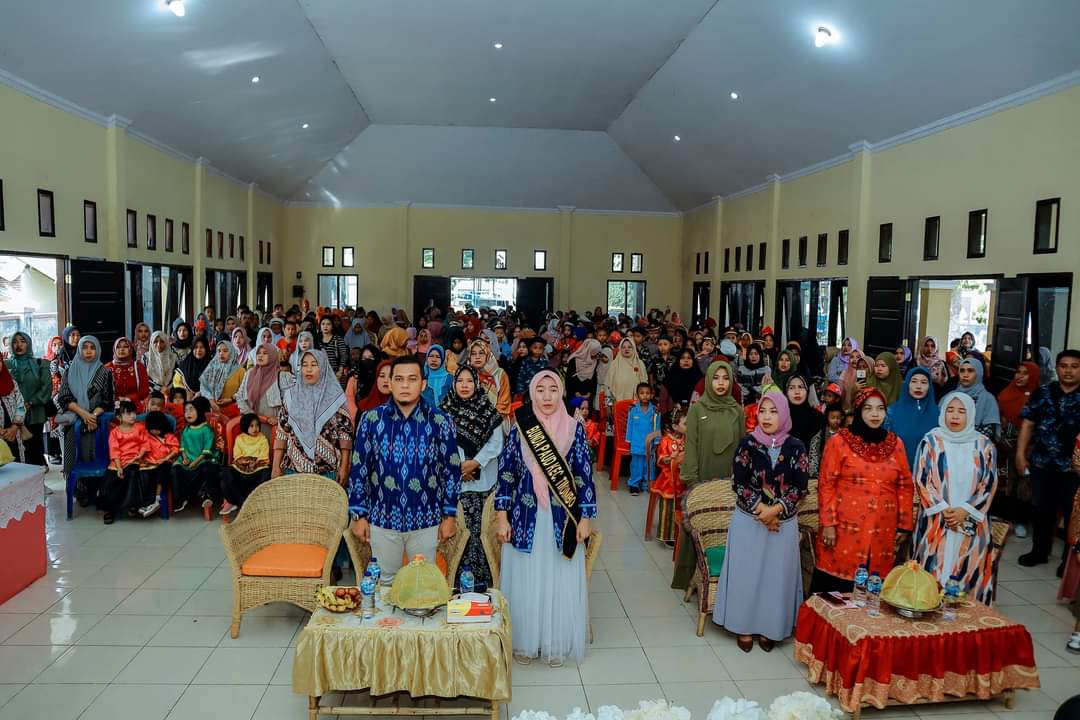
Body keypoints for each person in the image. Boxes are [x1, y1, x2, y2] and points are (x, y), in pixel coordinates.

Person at [495, 370, 596, 666]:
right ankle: (526, 641)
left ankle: (555, 642)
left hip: (562, 518)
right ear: (531, 394)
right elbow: (506, 474)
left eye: (553, 389)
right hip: (524, 516)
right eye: (541, 390)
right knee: (526, 581)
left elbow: (584, 476)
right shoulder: (521, 427)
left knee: (558, 579)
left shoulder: (574, 429)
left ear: (561, 392)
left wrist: (586, 518)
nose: (547, 396)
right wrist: (502, 517)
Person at [349, 355, 461, 583]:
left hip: (426, 519)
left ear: (423, 383)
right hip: (382, 518)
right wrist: (358, 514)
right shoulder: (371, 420)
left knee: (423, 585)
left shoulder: (440, 421)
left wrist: (449, 515)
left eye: (412, 379)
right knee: (384, 584)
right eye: (399, 379)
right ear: (389, 383)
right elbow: (359, 468)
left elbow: (452, 470)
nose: (405, 385)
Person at [713, 391, 808, 652]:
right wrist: (762, 510)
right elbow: (738, 482)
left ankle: (770, 627)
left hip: (783, 524)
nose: (767, 417)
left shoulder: (796, 447)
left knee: (775, 578)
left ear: (784, 414)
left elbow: (800, 486)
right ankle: (743, 626)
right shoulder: (747, 444)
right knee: (747, 574)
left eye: (773, 411)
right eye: (762, 411)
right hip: (749, 521)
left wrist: (775, 510)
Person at [812, 387, 914, 592]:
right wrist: (828, 524)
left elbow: (905, 485)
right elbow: (826, 484)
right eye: (868, 408)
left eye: (880, 408)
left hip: (882, 529)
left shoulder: (896, 444)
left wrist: (904, 525)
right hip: (843, 529)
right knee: (837, 589)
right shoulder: (839, 442)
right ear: (858, 410)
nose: (875, 414)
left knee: (873, 586)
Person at [912, 392, 999, 604]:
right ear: (943, 413)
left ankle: (966, 618)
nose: (955, 416)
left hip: (971, 521)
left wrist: (965, 511)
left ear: (971, 414)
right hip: (936, 519)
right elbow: (922, 479)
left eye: (961, 411)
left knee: (967, 572)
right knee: (931, 571)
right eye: (950, 410)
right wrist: (944, 509)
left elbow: (989, 482)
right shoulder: (931, 441)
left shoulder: (984, 445)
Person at [672, 360, 745, 590]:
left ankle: (724, 577)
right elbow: (691, 445)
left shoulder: (737, 410)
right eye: (716, 378)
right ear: (708, 380)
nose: (721, 383)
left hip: (728, 479)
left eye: (725, 378)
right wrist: (693, 483)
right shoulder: (698, 409)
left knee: (724, 525)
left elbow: (742, 448)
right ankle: (691, 575)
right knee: (698, 525)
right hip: (703, 475)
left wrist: (740, 480)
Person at [1016, 349, 1080, 574]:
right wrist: (1020, 454)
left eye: (1074, 366)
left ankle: (1068, 561)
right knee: (1042, 510)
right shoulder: (1043, 392)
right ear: (1057, 368)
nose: (1068, 371)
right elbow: (1028, 425)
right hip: (1042, 464)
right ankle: (1039, 552)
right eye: (1064, 366)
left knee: (1072, 515)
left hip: (1074, 469)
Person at [441, 366, 503, 588]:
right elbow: (441, 444)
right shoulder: (444, 411)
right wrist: (461, 467)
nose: (464, 385)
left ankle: (482, 584)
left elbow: (496, 443)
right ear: (454, 384)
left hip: (484, 483)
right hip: (456, 484)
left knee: (481, 533)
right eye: (460, 381)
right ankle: (456, 583)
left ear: (477, 384)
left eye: (469, 381)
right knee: (459, 534)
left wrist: (475, 463)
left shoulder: (488, 410)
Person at [273, 350, 353, 484]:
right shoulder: (291, 397)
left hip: (328, 470)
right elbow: (282, 432)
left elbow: (345, 434)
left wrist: (344, 467)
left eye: (314, 364)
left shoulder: (335, 398)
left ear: (323, 368)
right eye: (304, 365)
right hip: (294, 468)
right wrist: (276, 466)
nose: (308, 369)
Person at [56, 335, 114, 479]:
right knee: (74, 461)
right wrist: (84, 414)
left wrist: (92, 416)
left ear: (98, 350)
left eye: (92, 348)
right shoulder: (70, 371)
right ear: (79, 350)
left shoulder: (105, 372)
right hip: (74, 423)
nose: (88, 351)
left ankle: (96, 488)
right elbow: (64, 398)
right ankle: (75, 488)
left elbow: (107, 402)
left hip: (96, 424)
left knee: (96, 459)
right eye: (84, 348)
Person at [995, 361, 1041, 536]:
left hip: (1029, 448)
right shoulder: (1005, 394)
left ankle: (1021, 520)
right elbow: (999, 420)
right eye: (1018, 372)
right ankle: (1005, 519)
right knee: (1006, 482)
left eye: (1025, 373)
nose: (1019, 376)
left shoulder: (1038, 398)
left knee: (1024, 485)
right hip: (1005, 446)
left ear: (1033, 376)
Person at [99, 400, 150, 524]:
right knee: (110, 479)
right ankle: (109, 510)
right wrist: (118, 467)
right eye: (128, 413)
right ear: (119, 417)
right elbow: (114, 450)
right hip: (118, 462)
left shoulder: (140, 427)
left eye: (134, 413)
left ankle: (132, 505)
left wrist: (140, 454)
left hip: (136, 460)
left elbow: (145, 443)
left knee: (132, 473)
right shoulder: (115, 432)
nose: (133, 416)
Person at [6, 332, 51, 467]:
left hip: (35, 413)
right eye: (15, 342)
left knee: (35, 450)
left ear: (28, 344)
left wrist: (30, 402)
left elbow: (46, 388)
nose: (18, 345)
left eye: (22, 341)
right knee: (15, 452)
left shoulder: (40, 364)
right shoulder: (6, 365)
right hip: (12, 415)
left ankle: (38, 478)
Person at [170, 397, 219, 514]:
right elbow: (182, 447)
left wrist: (195, 462)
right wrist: (185, 458)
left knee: (207, 469)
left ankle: (206, 496)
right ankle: (181, 499)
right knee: (175, 469)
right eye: (186, 411)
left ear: (199, 411)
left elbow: (207, 450)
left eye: (191, 410)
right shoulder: (186, 429)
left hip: (202, 459)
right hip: (188, 459)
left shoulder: (206, 429)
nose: (188, 413)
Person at [887, 367, 940, 471]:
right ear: (907, 384)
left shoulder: (939, 413)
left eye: (924, 382)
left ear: (930, 386)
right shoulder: (891, 412)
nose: (918, 386)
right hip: (898, 471)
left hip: (928, 473)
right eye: (914, 381)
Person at [221, 412, 271, 513]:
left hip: (257, 468)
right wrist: (244, 461)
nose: (255, 428)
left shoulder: (262, 438)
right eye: (251, 426)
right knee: (225, 472)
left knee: (267, 473)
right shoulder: (240, 438)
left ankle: (244, 502)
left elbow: (264, 456)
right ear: (245, 426)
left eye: (257, 425)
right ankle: (241, 501)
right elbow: (237, 455)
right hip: (241, 467)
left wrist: (255, 463)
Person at [651, 407, 687, 546]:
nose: (689, 426)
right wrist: (670, 458)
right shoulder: (666, 440)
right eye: (686, 424)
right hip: (669, 477)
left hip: (683, 476)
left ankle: (681, 534)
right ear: (675, 426)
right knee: (669, 506)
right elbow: (661, 459)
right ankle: (667, 535)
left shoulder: (687, 439)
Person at [138, 410, 178, 518]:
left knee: (162, 472)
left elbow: (175, 449)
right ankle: (147, 503)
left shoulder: (169, 436)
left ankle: (157, 499)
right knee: (143, 475)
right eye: (152, 428)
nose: (155, 431)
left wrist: (166, 458)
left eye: (157, 428)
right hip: (149, 462)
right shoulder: (146, 436)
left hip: (165, 462)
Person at [234, 342, 283, 429]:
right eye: (258, 353)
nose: (260, 356)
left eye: (265, 353)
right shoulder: (250, 373)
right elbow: (239, 396)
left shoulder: (282, 376)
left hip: (273, 423)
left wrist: (279, 418)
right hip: (252, 422)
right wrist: (251, 414)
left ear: (272, 356)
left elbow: (290, 403)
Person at [626, 382, 660, 496]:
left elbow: (657, 427)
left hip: (649, 445)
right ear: (637, 395)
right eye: (642, 393)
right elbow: (629, 426)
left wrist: (656, 441)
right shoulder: (633, 410)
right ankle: (634, 485)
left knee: (648, 466)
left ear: (651, 395)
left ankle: (647, 484)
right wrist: (629, 440)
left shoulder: (655, 411)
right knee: (636, 466)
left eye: (647, 393)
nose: (645, 395)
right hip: (636, 444)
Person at [956, 357, 1000, 441]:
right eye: (962, 371)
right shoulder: (951, 397)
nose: (965, 375)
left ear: (979, 373)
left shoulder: (988, 399)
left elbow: (988, 431)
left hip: (976, 444)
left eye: (970, 371)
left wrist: (962, 439)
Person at [199, 340, 245, 418]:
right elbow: (203, 386)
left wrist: (231, 399)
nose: (221, 353)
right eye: (219, 351)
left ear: (231, 352)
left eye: (225, 351)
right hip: (213, 410)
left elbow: (244, 391)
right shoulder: (212, 367)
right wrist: (212, 402)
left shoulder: (240, 370)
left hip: (233, 411)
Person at [107, 337, 150, 411]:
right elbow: (105, 394)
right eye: (118, 347)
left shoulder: (138, 367)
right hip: (113, 407)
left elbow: (144, 392)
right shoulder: (108, 368)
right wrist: (119, 399)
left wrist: (130, 398)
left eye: (125, 347)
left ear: (130, 349)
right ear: (114, 349)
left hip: (136, 406)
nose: (122, 349)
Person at [784, 374, 824, 451]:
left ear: (807, 390)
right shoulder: (780, 419)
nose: (797, 392)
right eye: (792, 388)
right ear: (786, 392)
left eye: (801, 387)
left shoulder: (818, 418)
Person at [605, 337, 649, 403]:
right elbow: (608, 386)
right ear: (620, 349)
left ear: (634, 348)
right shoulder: (614, 364)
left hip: (637, 403)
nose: (626, 349)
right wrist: (609, 404)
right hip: (617, 403)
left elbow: (645, 384)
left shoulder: (640, 363)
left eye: (629, 347)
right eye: (623, 347)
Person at [808, 404, 845, 480]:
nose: (836, 420)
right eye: (833, 418)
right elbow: (814, 453)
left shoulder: (845, 434)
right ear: (827, 418)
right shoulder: (821, 435)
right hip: (824, 471)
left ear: (842, 417)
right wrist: (814, 474)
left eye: (838, 418)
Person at [565, 338, 602, 406]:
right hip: (574, 396)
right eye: (595, 353)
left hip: (587, 398)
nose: (596, 355)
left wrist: (589, 394)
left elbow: (594, 380)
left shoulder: (595, 361)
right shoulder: (574, 361)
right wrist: (576, 393)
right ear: (589, 351)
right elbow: (568, 380)